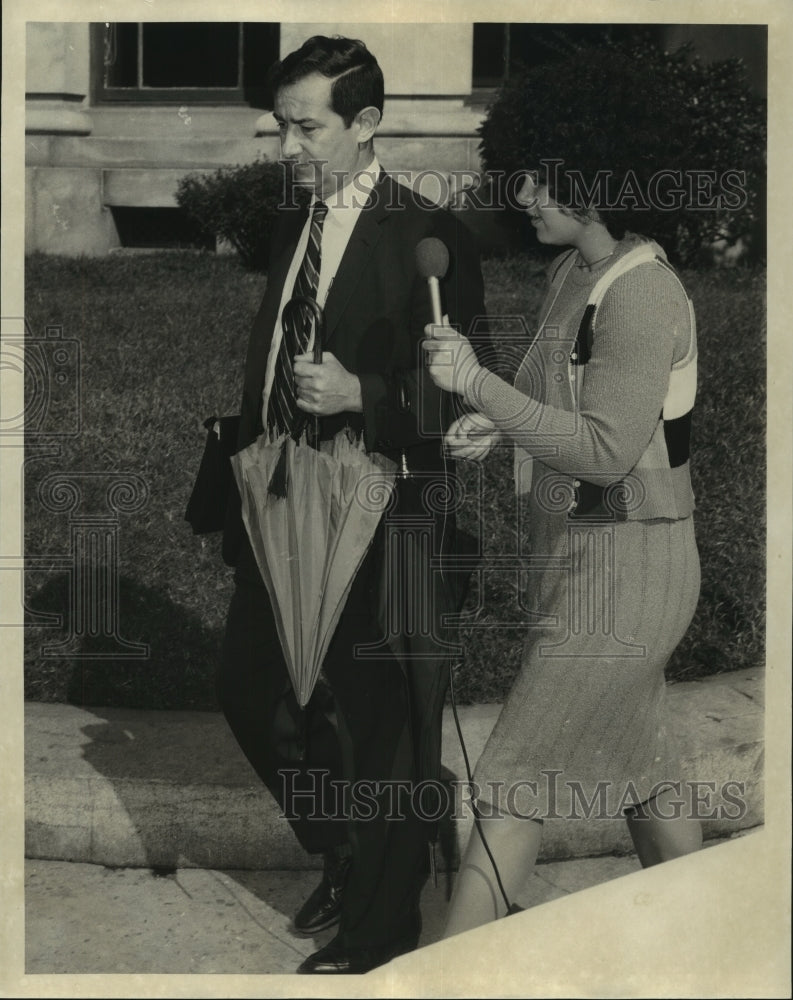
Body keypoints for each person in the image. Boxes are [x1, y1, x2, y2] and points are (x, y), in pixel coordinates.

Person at [216, 35, 487, 973]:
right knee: (250, 690)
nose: (287, 144)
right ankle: (344, 848)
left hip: (389, 516)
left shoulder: (430, 235)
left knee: (382, 725)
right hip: (286, 504)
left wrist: (364, 398)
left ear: (366, 124)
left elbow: (463, 393)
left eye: (308, 126)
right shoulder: (301, 218)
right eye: (281, 124)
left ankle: (380, 937)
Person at [423, 163, 703, 937]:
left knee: (513, 782)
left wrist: (479, 388)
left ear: (600, 187)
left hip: (629, 569)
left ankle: (445, 977)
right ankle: (718, 942)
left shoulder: (642, 292)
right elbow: (555, 397)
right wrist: (498, 420)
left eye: (544, 184)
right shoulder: (572, 271)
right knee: (647, 776)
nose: (525, 199)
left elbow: (607, 451)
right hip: (579, 558)